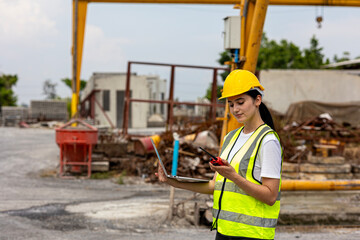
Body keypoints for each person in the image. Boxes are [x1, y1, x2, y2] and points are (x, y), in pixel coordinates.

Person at [156, 69, 282, 240]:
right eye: (231, 104)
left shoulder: (267, 141)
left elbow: (270, 196)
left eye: (240, 102)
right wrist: (173, 181)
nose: (235, 109)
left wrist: (233, 176)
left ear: (257, 99)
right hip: (224, 232)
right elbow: (213, 186)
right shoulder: (231, 138)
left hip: (253, 235)